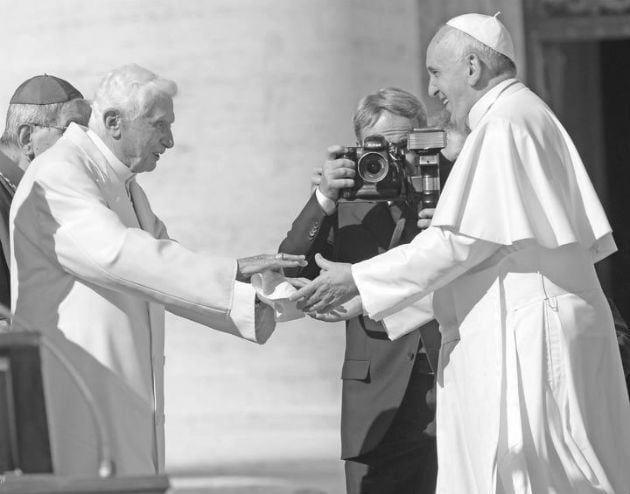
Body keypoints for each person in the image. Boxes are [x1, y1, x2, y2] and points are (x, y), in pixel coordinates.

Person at [290, 13, 630, 493]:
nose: (431, 90)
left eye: (434, 72)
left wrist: (359, 279)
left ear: (471, 67)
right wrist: (369, 298)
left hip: (532, 334)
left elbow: (458, 244)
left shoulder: (504, 123)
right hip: (530, 320)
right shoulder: (517, 116)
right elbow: (487, 263)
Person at [9, 64, 304, 476]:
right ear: (113, 122)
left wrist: (265, 302)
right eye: (158, 125)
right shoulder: (58, 171)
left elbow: (165, 264)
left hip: (119, 389)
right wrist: (232, 272)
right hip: (78, 393)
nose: (169, 140)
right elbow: (118, 255)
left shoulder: (128, 188)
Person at [280, 87, 442, 494]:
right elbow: (291, 262)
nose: (393, 158)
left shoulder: (445, 194)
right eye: (380, 148)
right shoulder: (345, 200)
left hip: (445, 382)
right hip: (374, 396)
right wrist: (324, 198)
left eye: (404, 146)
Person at [0, 74, 91, 314]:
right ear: (27, 139)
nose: (83, 147)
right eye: (69, 132)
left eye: (86, 135)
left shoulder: (49, 191)